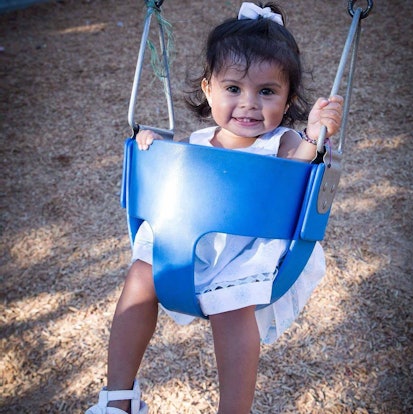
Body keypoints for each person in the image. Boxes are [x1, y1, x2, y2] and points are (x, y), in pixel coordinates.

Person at [86, 2, 343, 413]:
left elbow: (297, 173)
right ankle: (118, 398)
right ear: (208, 89)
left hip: (247, 252)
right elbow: (177, 176)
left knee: (233, 308)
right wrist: (153, 146)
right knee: (139, 276)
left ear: (288, 97)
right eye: (233, 88)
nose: (249, 104)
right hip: (190, 244)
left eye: (267, 91)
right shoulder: (201, 139)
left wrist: (315, 136)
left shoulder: (286, 143)